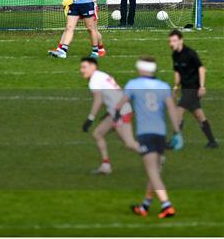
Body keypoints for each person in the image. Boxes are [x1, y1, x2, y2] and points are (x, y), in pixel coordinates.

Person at [115, 57, 183, 218]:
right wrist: (177, 132)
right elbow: (172, 111)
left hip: (145, 133)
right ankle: (145, 205)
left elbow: (120, 104)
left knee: (152, 171)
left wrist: (117, 117)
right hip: (160, 133)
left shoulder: (133, 84)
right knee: (154, 170)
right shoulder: (163, 86)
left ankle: (167, 205)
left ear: (142, 69)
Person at [80, 57, 138, 175]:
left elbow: (98, 100)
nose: (81, 70)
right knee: (98, 134)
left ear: (93, 67)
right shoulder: (102, 75)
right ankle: (106, 166)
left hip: (121, 113)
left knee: (129, 143)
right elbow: (117, 91)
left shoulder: (94, 80)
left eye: (84, 67)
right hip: (117, 111)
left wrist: (90, 118)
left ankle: (157, 157)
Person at [168, 30, 218, 148]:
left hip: (193, 89)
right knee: (199, 116)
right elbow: (177, 71)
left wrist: (202, 86)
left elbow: (201, 69)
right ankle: (212, 141)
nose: (171, 43)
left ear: (181, 40)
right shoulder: (175, 55)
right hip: (185, 89)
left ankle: (175, 142)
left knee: (178, 113)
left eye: (174, 40)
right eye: (170, 41)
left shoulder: (190, 54)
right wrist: (176, 86)